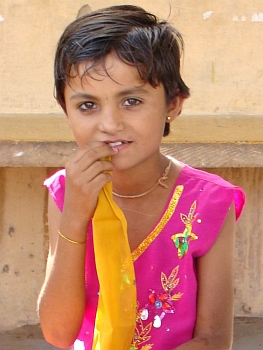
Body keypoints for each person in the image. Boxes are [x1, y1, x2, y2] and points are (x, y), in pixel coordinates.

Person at [37, 5, 245, 350]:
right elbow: (58, 333)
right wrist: (74, 216)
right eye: (87, 105)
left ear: (173, 104)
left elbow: (214, 339)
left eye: (131, 101)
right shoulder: (66, 192)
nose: (109, 124)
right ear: (65, 110)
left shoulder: (209, 202)